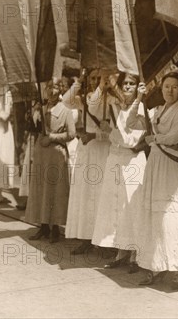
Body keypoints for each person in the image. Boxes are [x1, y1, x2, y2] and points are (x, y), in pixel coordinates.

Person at [137, 71, 178, 290]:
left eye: (174, 87)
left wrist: (155, 138)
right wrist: (139, 99)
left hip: (172, 166)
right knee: (155, 217)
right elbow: (133, 122)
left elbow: (177, 136)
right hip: (155, 164)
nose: (169, 91)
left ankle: (177, 270)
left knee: (173, 217)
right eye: (166, 87)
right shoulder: (155, 111)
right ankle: (155, 265)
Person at [92, 73, 147, 273]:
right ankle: (121, 252)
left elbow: (130, 142)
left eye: (132, 84)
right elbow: (91, 107)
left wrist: (110, 132)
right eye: (125, 83)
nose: (127, 87)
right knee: (115, 206)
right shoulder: (115, 106)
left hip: (132, 161)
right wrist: (101, 86)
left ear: (138, 87)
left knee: (131, 206)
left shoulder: (140, 109)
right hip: (114, 160)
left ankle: (135, 254)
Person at [65, 69, 112, 255]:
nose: (94, 81)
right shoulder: (84, 97)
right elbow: (66, 101)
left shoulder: (111, 100)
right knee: (85, 195)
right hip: (86, 150)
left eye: (98, 78)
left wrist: (94, 134)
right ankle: (86, 237)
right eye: (92, 78)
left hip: (102, 150)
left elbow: (111, 130)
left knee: (100, 195)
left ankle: (103, 241)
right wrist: (79, 81)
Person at [25, 78, 76, 243]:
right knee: (41, 189)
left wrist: (53, 137)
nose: (51, 91)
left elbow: (71, 134)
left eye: (54, 87)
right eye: (48, 87)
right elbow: (33, 128)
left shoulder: (66, 110)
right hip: (41, 153)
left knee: (55, 190)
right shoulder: (40, 108)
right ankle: (43, 225)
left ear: (60, 89)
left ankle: (55, 227)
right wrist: (35, 114)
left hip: (56, 153)